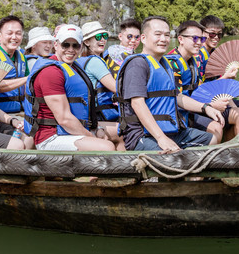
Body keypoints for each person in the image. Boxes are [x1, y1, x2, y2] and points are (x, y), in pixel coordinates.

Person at [117, 16, 223, 152]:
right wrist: (161, 138)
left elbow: (176, 96)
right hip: (144, 135)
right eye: (158, 34)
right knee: (174, 156)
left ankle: (194, 173)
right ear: (143, 38)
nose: (163, 39)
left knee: (211, 140)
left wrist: (206, 108)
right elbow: (137, 103)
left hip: (170, 130)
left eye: (167, 35)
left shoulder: (165, 64)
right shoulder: (137, 64)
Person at [23, 25, 118, 151]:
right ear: (56, 45)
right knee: (107, 147)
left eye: (75, 45)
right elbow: (64, 119)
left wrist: (97, 129)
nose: (70, 49)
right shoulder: (51, 72)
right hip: (51, 137)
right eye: (65, 45)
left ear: (80, 47)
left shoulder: (73, 67)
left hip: (70, 131)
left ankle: (128, 169)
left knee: (122, 133)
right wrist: (91, 136)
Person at [198, 15, 239, 121]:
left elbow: (223, 87)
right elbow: (202, 90)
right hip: (206, 101)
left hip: (221, 96)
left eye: (219, 34)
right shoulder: (198, 57)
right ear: (202, 33)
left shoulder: (216, 54)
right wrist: (226, 77)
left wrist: (228, 78)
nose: (216, 37)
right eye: (212, 34)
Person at [76, 21, 123, 149]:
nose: (102, 39)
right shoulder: (95, 62)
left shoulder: (79, 61)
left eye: (104, 36)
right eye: (97, 37)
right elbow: (117, 89)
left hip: (90, 116)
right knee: (126, 131)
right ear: (86, 42)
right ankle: (124, 166)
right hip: (97, 117)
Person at [0, 15, 29, 113]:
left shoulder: (22, 57)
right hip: (0, 114)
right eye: (9, 33)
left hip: (22, 111)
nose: (14, 37)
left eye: (18, 33)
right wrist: (27, 79)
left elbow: (26, 87)